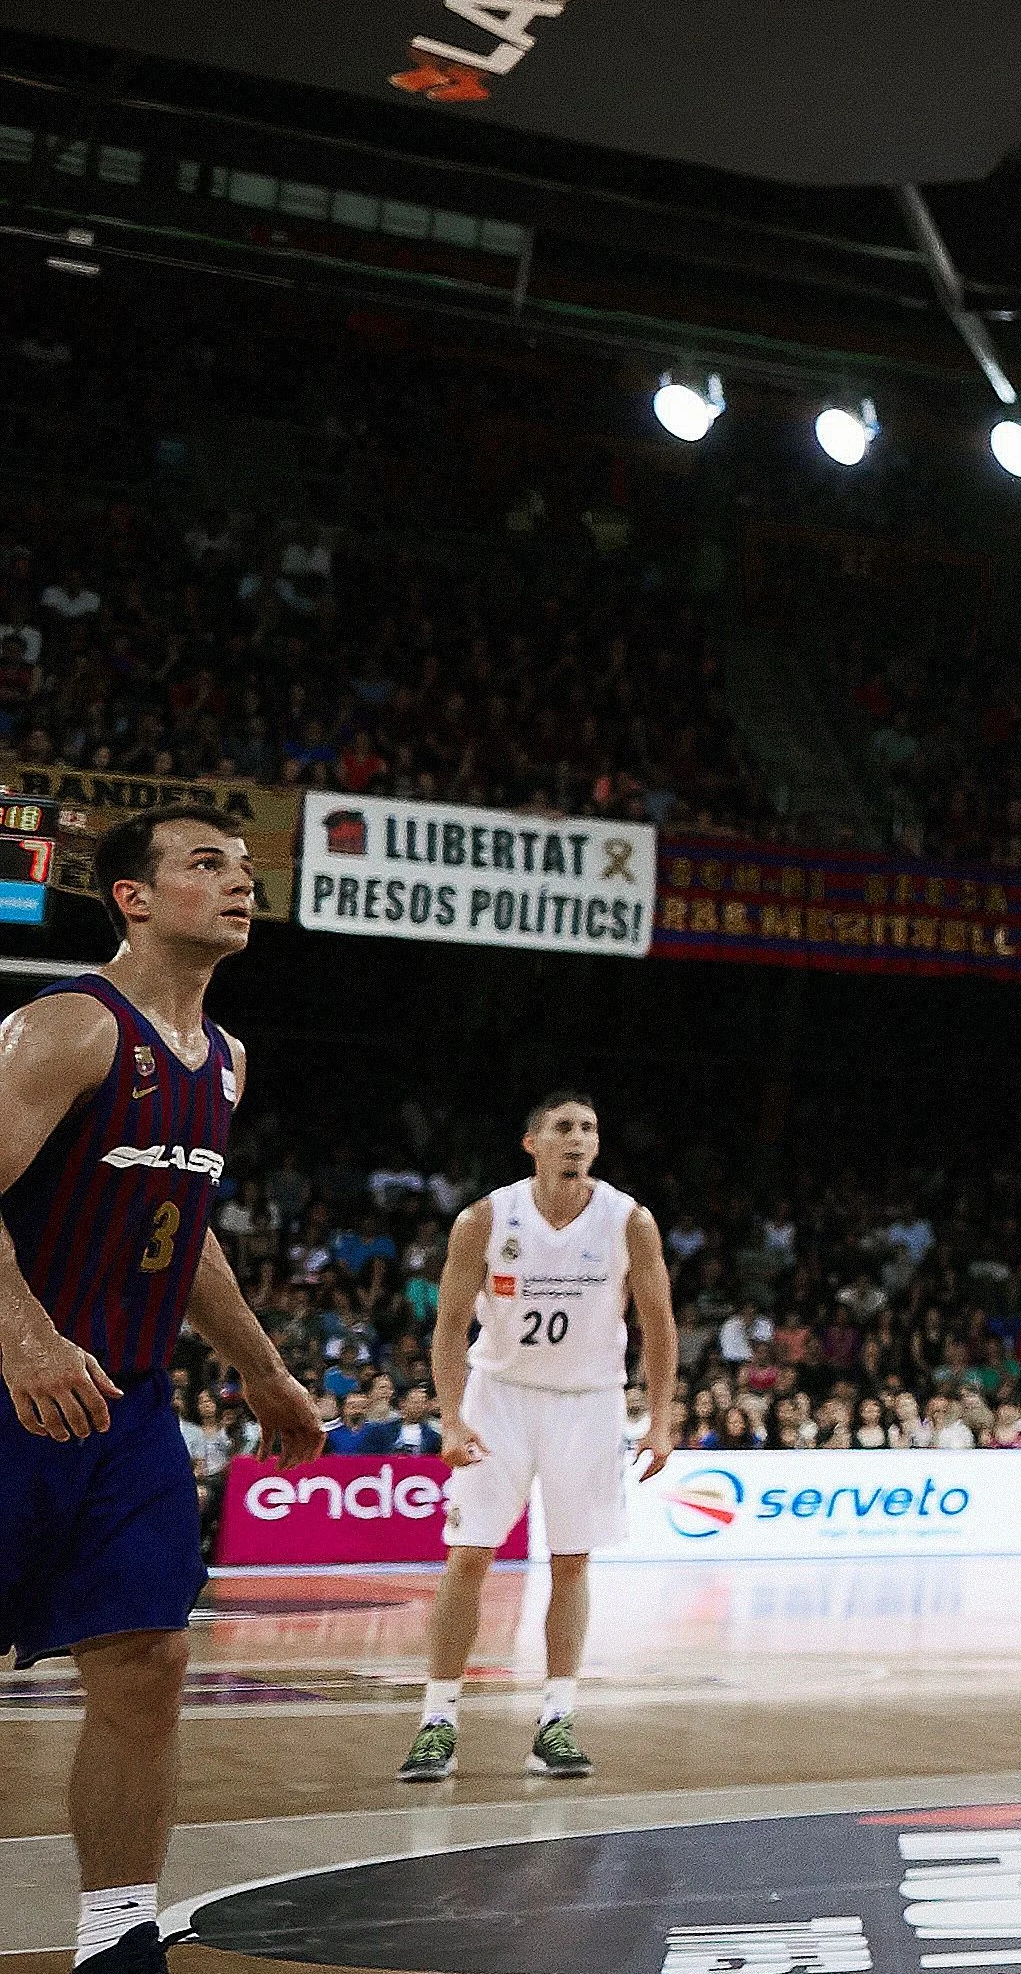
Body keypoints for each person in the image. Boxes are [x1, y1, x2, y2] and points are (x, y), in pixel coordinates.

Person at [0, 805, 325, 1974]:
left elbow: (183, 1236)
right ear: (131, 895)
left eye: (244, 865)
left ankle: (118, 1935)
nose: (242, 880)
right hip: (9, 1391)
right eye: (207, 863)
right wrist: (24, 1333)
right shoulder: (70, 1025)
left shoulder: (226, 1059)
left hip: (123, 1404)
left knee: (150, 1660)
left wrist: (264, 1366)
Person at [397, 1091, 674, 1783]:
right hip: (501, 1397)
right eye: (563, 1127)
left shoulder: (627, 1219)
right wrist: (453, 1416)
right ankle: (437, 1719)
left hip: (590, 1401)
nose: (577, 1138)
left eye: (588, 1127)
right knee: (469, 1555)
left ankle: (556, 1718)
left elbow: (660, 1323)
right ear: (533, 1142)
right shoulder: (487, 1216)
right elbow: (449, 1326)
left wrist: (662, 1416)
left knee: (572, 1560)